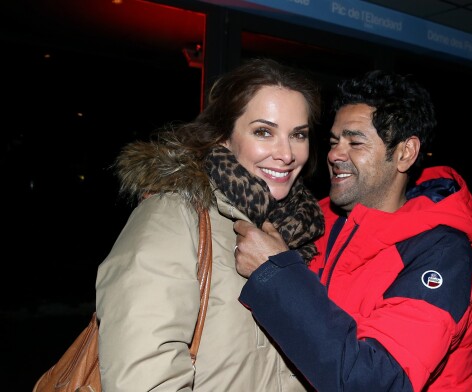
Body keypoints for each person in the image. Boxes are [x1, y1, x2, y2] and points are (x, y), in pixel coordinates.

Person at [233, 71, 472, 391]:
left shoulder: (442, 251)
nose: (334, 154)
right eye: (333, 141)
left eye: (355, 142)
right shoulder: (315, 222)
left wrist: (275, 273)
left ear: (405, 153)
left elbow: (375, 380)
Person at [95, 58, 325, 391]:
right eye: (264, 132)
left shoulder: (302, 230)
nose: (286, 153)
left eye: (298, 135)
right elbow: (142, 379)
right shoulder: (175, 215)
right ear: (222, 137)